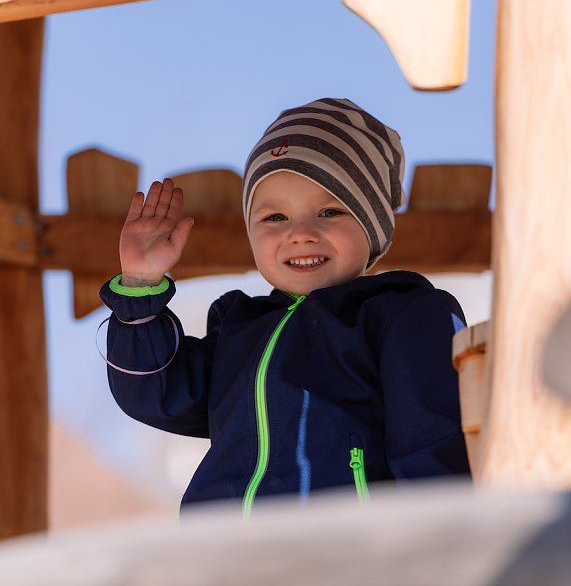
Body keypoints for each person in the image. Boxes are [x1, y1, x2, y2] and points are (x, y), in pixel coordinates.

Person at [100, 98, 470, 513]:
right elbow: (153, 393)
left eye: (329, 211)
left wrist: (438, 539)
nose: (300, 233)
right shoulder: (237, 329)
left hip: (342, 542)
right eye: (275, 218)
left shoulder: (404, 315)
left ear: (372, 227)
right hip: (228, 547)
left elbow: (435, 442)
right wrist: (140, 283)